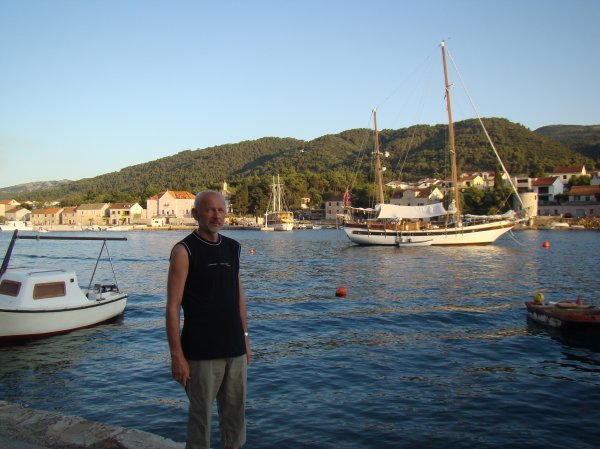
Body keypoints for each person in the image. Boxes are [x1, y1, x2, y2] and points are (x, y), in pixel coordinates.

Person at [166, 190, 251, 449]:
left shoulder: (233, 248)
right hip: (200, 354)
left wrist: (246, 340)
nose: (216, 215)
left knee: (235, 419)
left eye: (221, 210)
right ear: (196, 214)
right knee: (200, 421)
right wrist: (177, 356)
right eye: (209, 210)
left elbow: (239, 297)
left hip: (234, 350)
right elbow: (172, 307)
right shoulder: (184, 251)